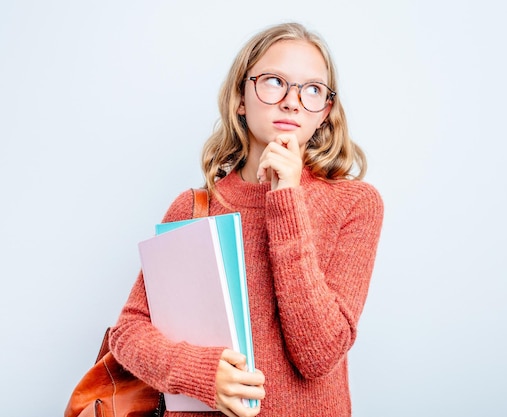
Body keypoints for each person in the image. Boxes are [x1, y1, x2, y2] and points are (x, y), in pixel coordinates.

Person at [109, 22, 384, 417]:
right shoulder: (192, 207)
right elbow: (129, 333)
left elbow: (319, 354)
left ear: (324, 112)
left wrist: (286, 198)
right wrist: (200, 374)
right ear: (241, 96)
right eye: (274, 81)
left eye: (311, 90)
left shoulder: (355, 203)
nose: (292, 102)